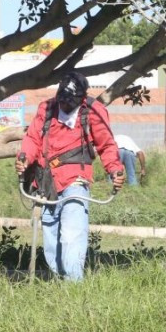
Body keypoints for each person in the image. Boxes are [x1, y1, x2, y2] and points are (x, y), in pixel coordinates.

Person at [16, 71, 124, 281]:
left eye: (69, 102)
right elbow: (32, 139)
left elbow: (107, 144)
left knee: (72, 235)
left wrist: (114, 169)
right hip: (46, 181)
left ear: (81, 99)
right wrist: (24, 158)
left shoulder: (93, 111)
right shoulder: (46, 108)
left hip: (75, 180)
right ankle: (60, 283)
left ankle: (73, 285)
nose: (64, 106)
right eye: (62, 100)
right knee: (50, 238)